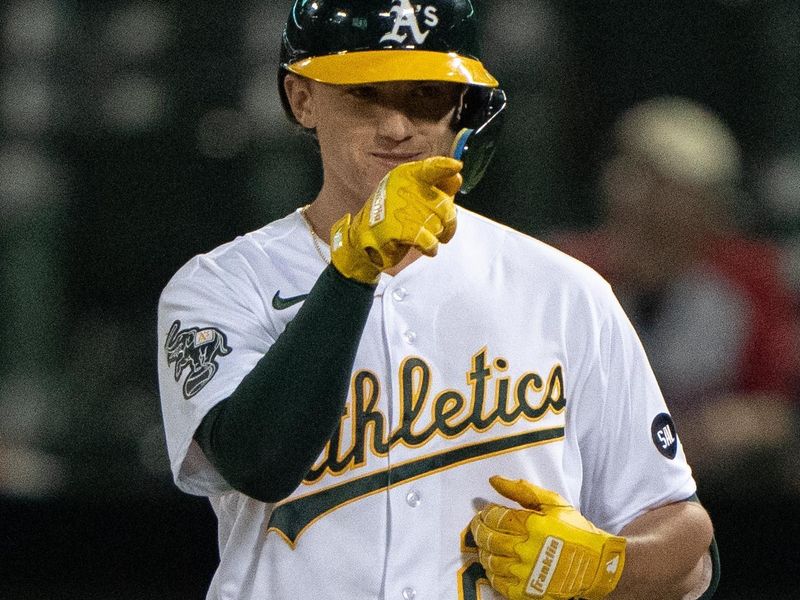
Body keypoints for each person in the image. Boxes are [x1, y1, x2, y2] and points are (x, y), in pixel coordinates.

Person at [157, 2, 717, 598]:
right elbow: (257, 463)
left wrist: (608, 565)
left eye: (425, 95)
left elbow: (688, 548)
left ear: (464, 107)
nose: (396, 126)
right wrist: (352, 272)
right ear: (302, 99)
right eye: (366, 94)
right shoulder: (221, 287)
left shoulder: (562, 290)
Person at [554, 96, 799, 482]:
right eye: (631, 178)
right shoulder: (566, 273)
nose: (643, 201)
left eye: (667, 191)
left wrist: (731, 426)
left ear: (711, 211)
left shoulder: (753, 281)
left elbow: (775, 409)